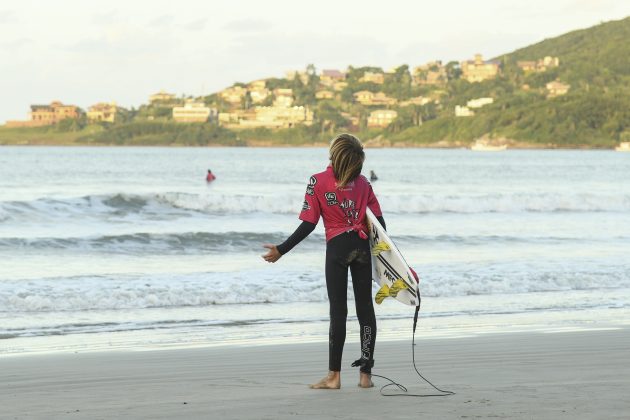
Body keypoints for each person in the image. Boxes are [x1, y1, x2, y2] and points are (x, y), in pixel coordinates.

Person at [262, 133, 386, 390]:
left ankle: (334, 377)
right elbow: (380, 225)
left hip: (338, 250)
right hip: (362, 248)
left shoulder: (317, 181)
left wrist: (282, 250)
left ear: (334, 154)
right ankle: (365, 376)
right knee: (365, 311)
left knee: (338, 312)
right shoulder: (364, 183)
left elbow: (309, 223)